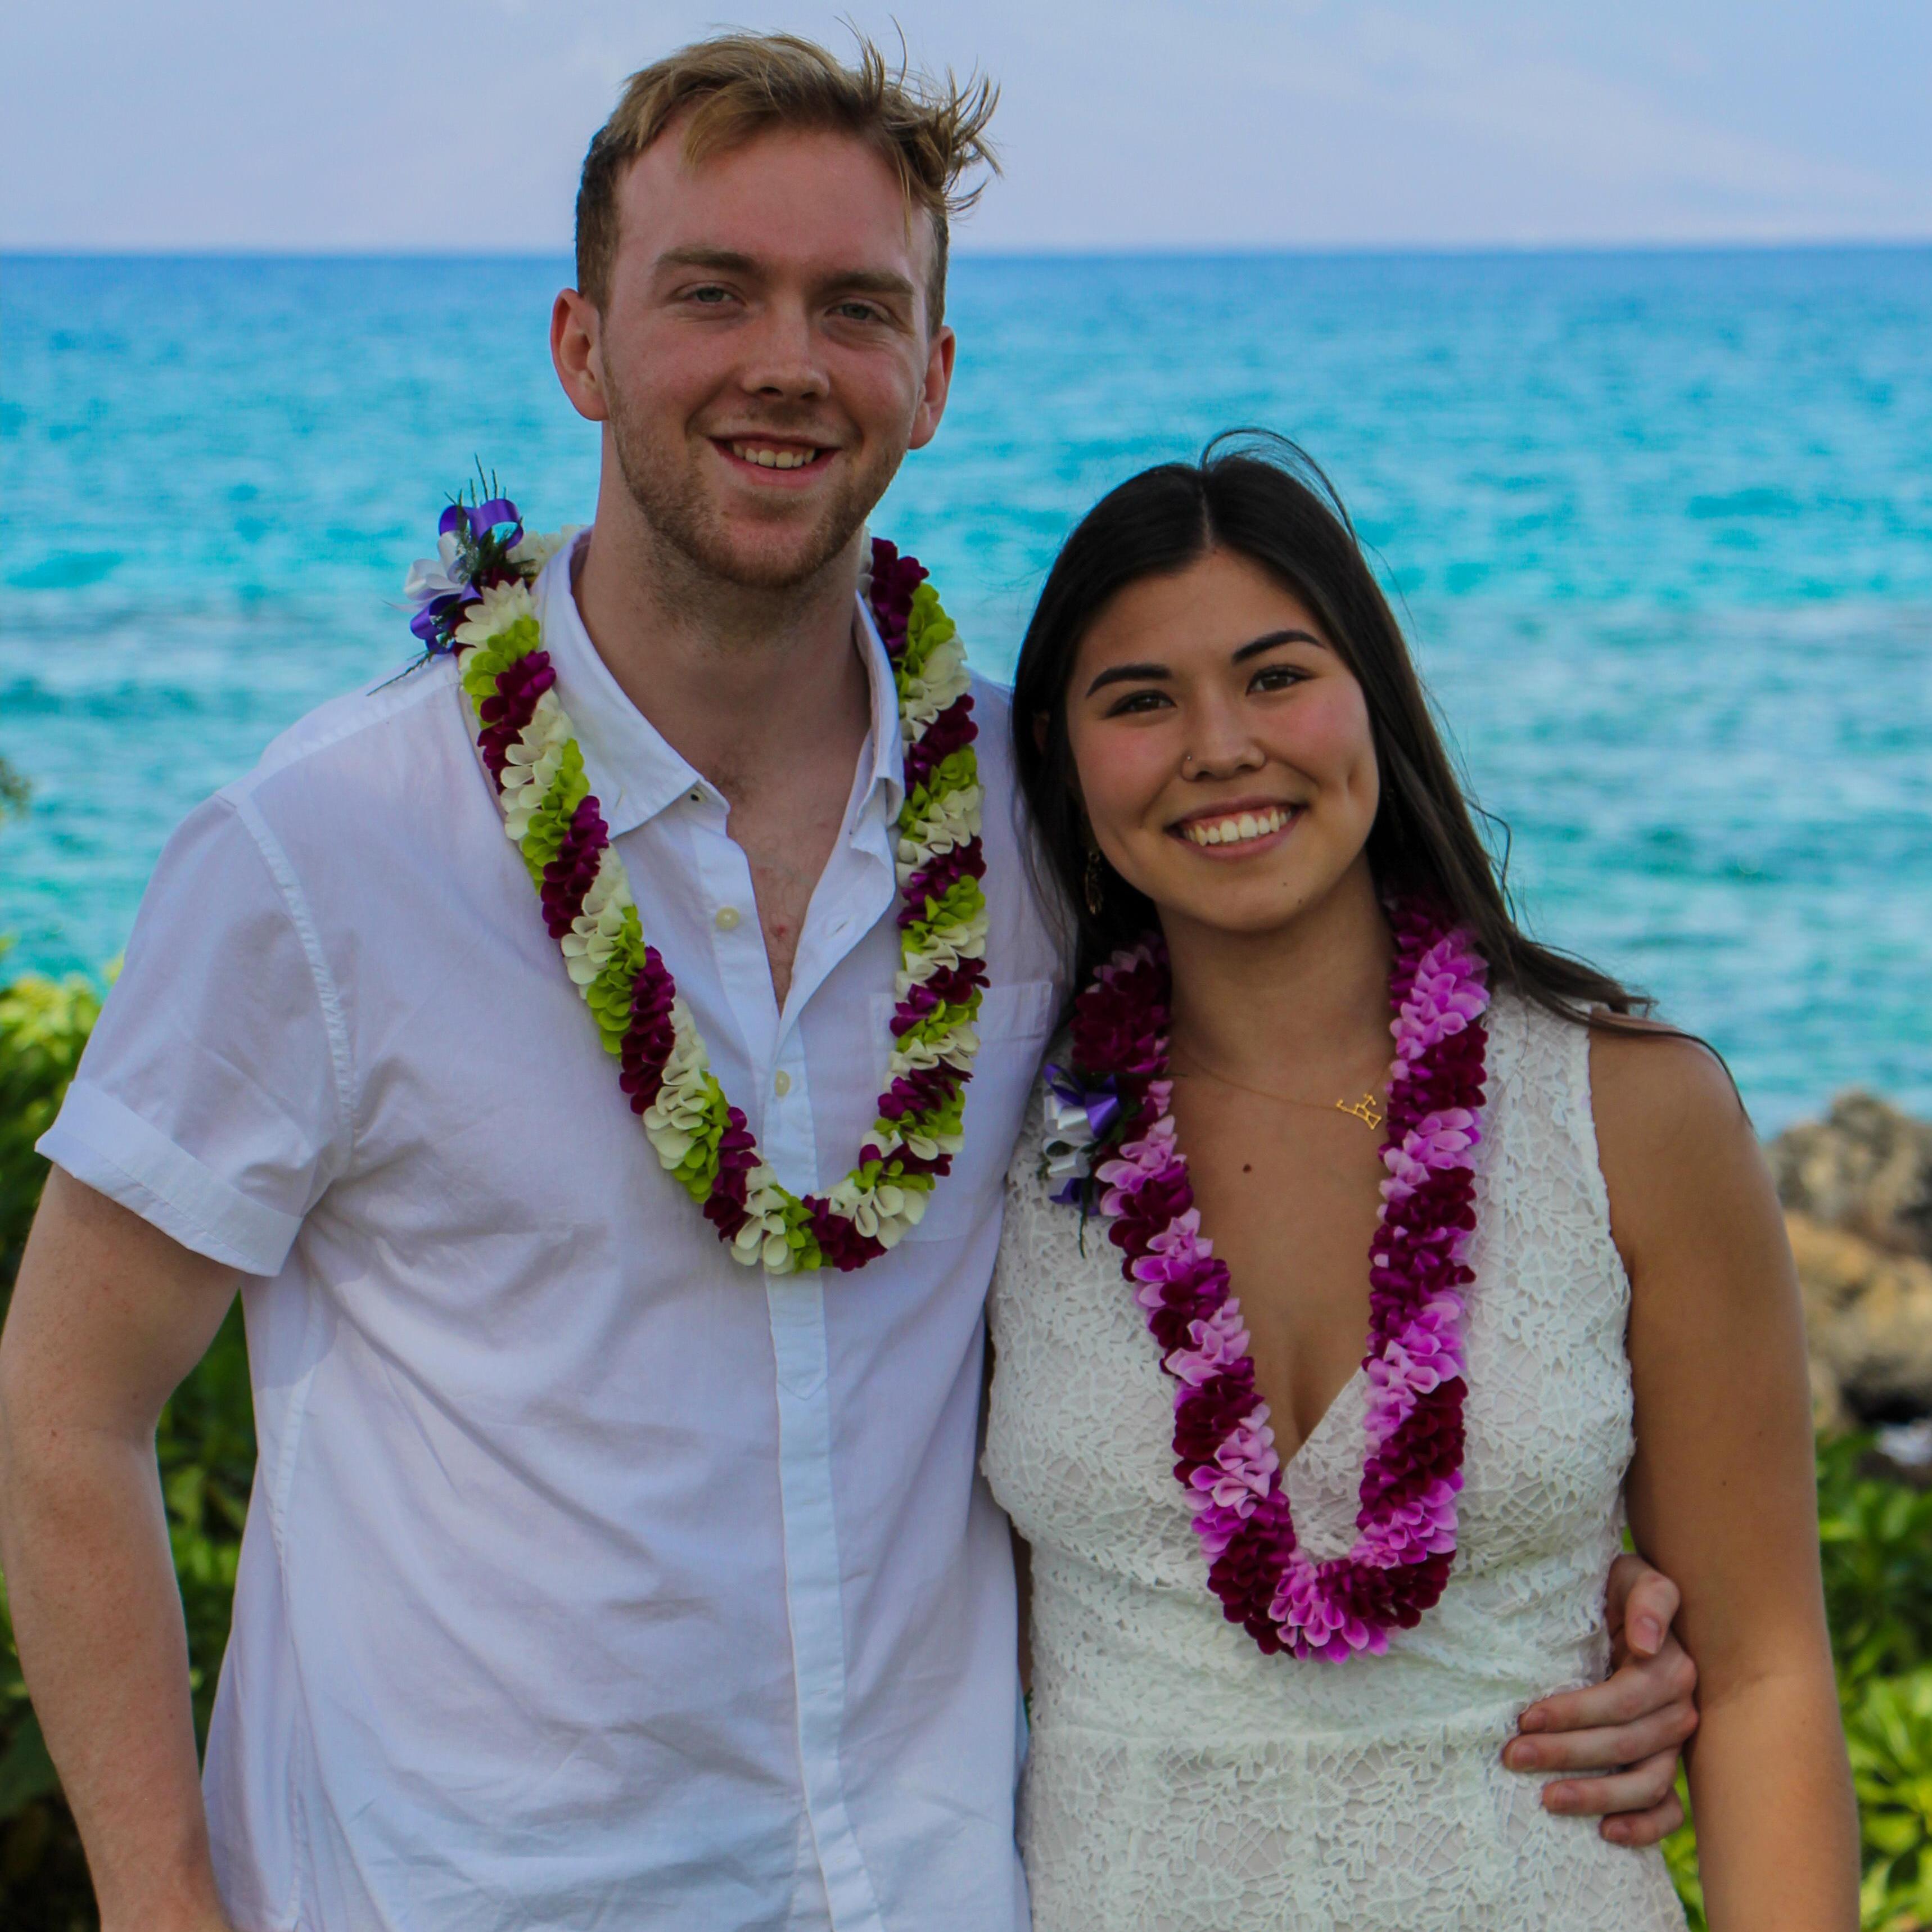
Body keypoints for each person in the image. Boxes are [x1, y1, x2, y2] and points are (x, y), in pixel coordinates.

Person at [0, 35, 1696, 1932]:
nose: (785, 361)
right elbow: (65, 1407)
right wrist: (163, 1905)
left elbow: (1279, 1171)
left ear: (934, 380)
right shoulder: (319, 856)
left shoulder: (1052, 834)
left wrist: (1567, 1568)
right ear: (581, 346)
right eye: (710, 292)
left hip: (940, 1888)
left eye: (855, 306)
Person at [985, 436, 1859, 1930]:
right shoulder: (998, 1141)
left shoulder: (1631, 1110)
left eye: (1275, 675)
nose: (1219, 745)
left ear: (1372, 703)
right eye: (1139, 700)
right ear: (1060, 758)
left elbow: (1768, 1668)